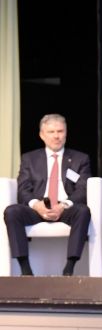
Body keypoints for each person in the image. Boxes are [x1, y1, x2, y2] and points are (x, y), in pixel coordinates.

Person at [3, 114, 91, 276]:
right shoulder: (29, 158)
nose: (56, 136)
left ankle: (69, 268)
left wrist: (63, 206)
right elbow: (23, 188)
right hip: (38, 208)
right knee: (12, 211)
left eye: (60, 131)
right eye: (51, 132)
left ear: (66, 133)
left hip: (65, 208)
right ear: (42, 135)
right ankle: (26, 270)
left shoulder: (80, 158)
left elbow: (83, 188)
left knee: (83, 211)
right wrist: (37, 205)